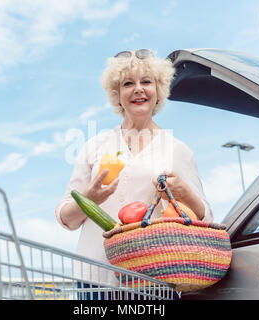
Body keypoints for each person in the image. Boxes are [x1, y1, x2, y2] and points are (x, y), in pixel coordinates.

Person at [54, 49, 213, 297]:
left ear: (158, 90)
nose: (138, 89)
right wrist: (90, 199)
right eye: (128, 83)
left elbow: (205, 217)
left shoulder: (177, 150)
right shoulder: (95, 146)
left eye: (146, 81)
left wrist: (185, 193)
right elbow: (67, 218)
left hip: (152, 280)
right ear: (117, 95)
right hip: (95, 279)